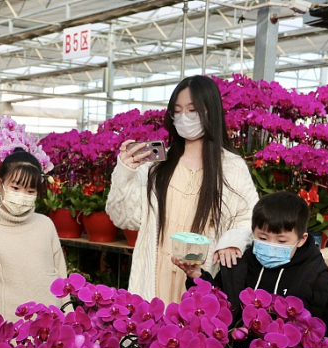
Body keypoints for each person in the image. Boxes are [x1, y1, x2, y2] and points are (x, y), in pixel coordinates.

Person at [106, 75, 259, 305]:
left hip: (201, 278)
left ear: (211, 112)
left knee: (195, 323)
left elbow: (248, 217)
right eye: (177, 111)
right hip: (156, 279)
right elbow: (124, 218)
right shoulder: (156, 165)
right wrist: (125, 174)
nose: (184, 117)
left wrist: (232, 241)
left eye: (192, 110)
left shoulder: (231, 167)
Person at [172, 191, 328, 342]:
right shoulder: (238, 264)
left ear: (302, 239)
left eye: (281, 241)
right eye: (262, 238)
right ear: (252, 232)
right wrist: (197, 276)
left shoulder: (313, 274)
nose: (271, 245)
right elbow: (218, 300)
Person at [0, 148, 68, 318]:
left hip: (52, 327)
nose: (22, 196)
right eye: (15, 187)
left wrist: (69, 317)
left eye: (30, 191)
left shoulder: (46, 226)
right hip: (10, 330)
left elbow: (62, 279)